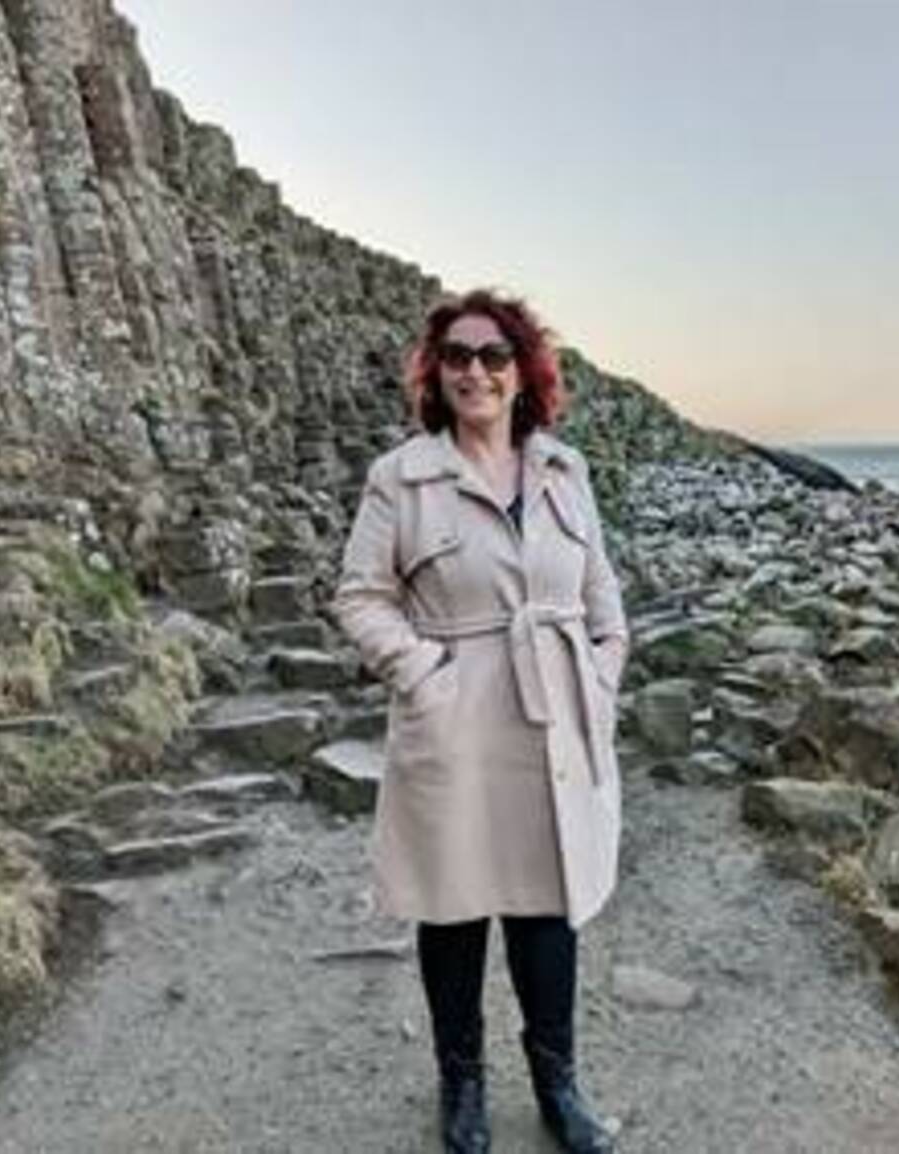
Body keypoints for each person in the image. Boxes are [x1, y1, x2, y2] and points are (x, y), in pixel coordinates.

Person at [333, 288, 626, 1153]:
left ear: (522, 371)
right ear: (436, 373)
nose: (475, 371)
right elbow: (360, 596)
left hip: (555, 714)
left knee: (548, 906)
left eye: (493, 355)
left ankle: (558, 1087)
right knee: (453, 907)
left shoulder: (566, 472)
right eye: (457, 356)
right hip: (456, 715)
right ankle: (461, 1088)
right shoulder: (402, 477)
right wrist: (425, 676)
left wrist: (604, 669)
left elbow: (602, 592)